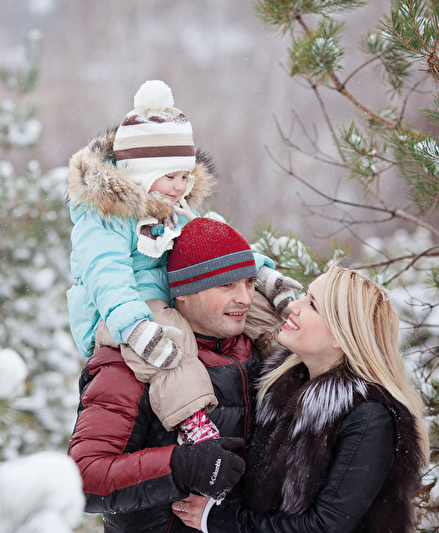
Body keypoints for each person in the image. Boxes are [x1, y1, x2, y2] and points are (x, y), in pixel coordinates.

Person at [66, 79, 290, 444]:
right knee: (171, 339)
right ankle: (193, 418)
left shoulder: (172, 208)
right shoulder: (104, 219)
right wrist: (133, 325)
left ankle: (292, 373)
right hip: (120, 310)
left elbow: (212, 246)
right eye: (170, 176)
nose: (180, 186)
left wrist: (262, 275)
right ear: (140, 174)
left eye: (185, 176)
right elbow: (106, 276)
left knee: (255, 309)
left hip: (171, 295)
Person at [172, 265, 430, 533]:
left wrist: (219, 520)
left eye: (312, 305)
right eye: (305, 295)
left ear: (341, 336)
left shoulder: (370, 416)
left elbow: (325, 527)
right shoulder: (281, 384)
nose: (293, 305)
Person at [68, 217, 276, 532]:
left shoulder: (260, 350)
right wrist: (179, 467)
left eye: (249, 282)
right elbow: (83, 478)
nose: (245, 298)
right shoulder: (131, 361)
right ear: (183, 292)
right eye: (226, 285)